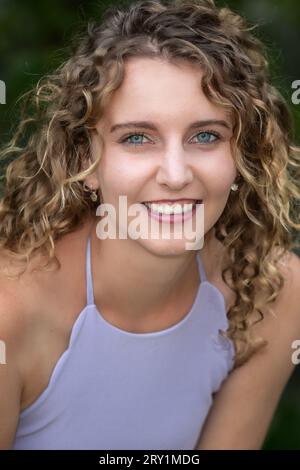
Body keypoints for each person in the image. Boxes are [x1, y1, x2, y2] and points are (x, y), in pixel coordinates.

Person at [0, 0, 299, 450]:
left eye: (206, 136)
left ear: (243, 156)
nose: (176, 174)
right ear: (86, 158)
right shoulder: (11, 312)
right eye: (137, 138)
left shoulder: (276, 291)